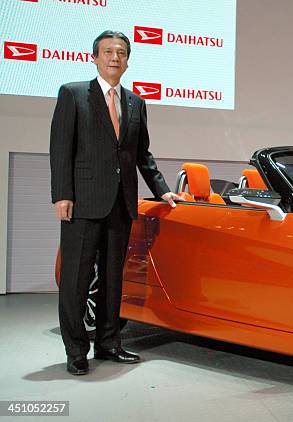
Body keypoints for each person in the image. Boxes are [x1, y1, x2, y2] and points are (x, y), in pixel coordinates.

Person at [50, 30, 181, 375]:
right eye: (108, 51)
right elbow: (61, 148)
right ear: (94, 57)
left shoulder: (136, 103)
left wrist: (162, 189)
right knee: (76, 281)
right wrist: (62, 194)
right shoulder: (73, 94)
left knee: (112, 280)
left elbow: (141, 154)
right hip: (82, 202)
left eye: (121, 52)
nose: (114, 58)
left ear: (127, 60)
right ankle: (76, 350)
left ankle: (108, 343)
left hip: (121, 204)